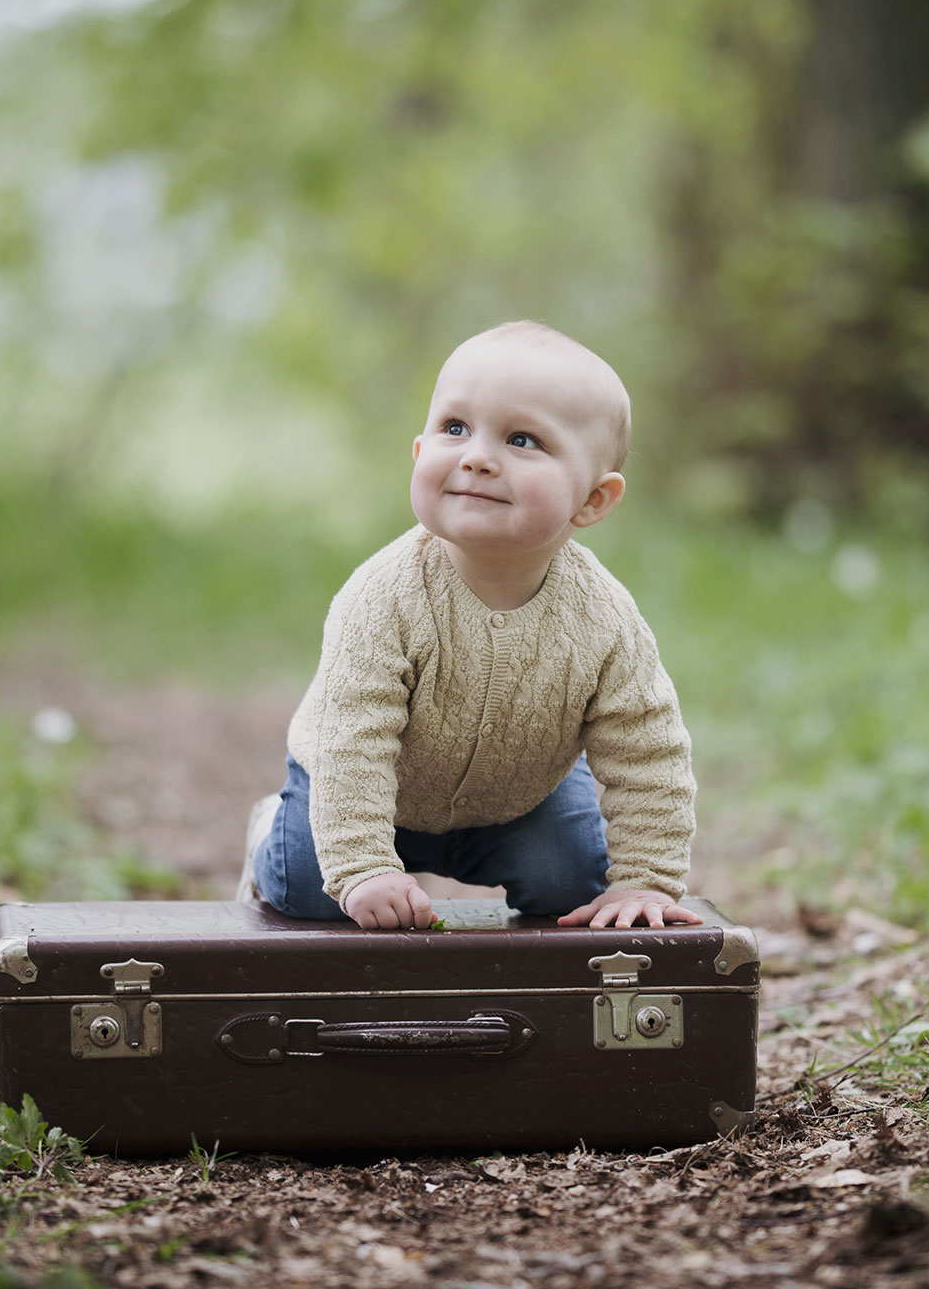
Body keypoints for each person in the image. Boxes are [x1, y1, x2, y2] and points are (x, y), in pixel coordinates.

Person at [240, 320, 700, 931]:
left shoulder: (605, 619)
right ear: (420, 452)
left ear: (593, 500)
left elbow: (647, 746)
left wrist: (644, 879)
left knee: (577, 892)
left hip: (521, 798)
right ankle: (271, 831)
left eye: (523, 440)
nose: (478, 458)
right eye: (455, 429)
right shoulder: (384, 596)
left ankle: (571, 872)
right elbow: (353, 738)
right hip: (366, 787)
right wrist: (364, 867)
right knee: (313, 891)